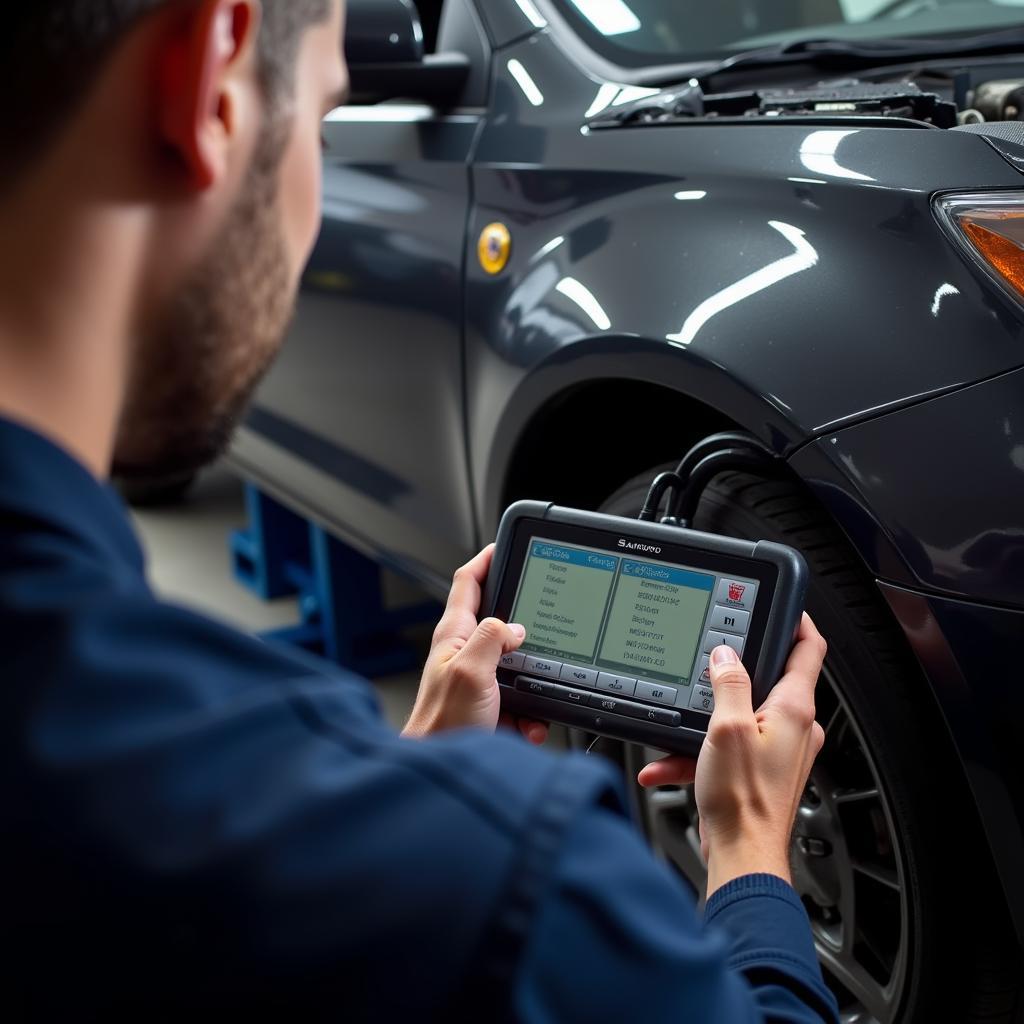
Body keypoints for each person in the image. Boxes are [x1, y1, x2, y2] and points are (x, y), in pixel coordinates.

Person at [0, 1, 837, 1020]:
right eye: (316, 123)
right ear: (208, 77)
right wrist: (750, 856)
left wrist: (419, 773)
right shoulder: (505, 889)